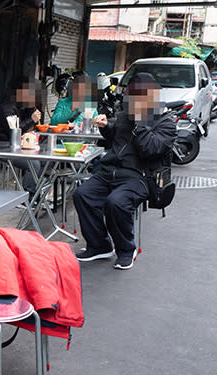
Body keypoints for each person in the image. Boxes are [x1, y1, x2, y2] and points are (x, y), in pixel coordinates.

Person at [72, 73, 176, 270]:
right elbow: (116, 141)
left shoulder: (165, 121)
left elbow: (151, 149)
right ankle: (100, 245)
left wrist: (140, 122)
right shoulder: (124, 115)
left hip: (139, 177)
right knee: (82, 194)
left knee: (116, 202)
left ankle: (126, 249)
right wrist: (106, 127)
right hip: (109, 172)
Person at [0, 77, 42, 192]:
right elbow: (14, 132)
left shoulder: (21, 106)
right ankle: (28, 197)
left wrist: (32, 109)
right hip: (0, 146)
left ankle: (38, 192)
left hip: (13, 145)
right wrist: (32, 119)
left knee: (43, 160)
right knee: (34, 164)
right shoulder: (6, 108)